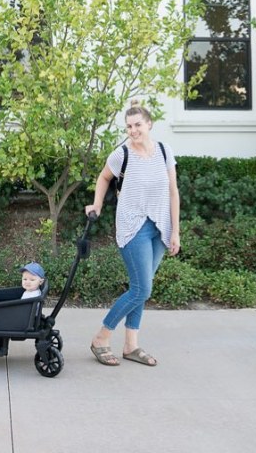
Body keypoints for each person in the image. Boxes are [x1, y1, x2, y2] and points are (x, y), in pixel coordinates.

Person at [84, 99, 180, 367]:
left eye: (138, 124)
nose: (133, 130)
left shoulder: (164, 151)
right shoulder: (121, 154)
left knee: (142, 289)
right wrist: (98, 204)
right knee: (142, 289)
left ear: (149, 124)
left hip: (160, 227)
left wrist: (176, 231)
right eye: (129, 126)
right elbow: (104, 178)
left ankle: (131, 346)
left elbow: (173, 192)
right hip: (132, 226)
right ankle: (101, 337)